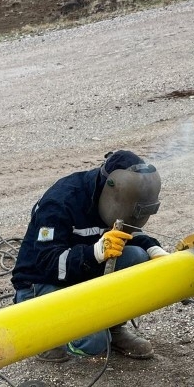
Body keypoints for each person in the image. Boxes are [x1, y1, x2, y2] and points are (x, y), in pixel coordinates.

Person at [11, 150, 167, 360]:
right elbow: (47, 263)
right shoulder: (61, 201)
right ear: (111, 187)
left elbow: (127, 231)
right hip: (41, 285)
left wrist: (153, 248)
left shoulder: (115, 200)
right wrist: (94, 253)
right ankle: (43, 335)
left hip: (81, 276)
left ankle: (113, 328)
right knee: (93, 343)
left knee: (137, 256)